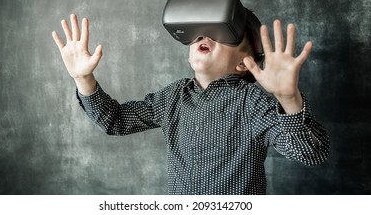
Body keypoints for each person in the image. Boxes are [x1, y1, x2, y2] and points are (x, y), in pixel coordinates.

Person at [52, 13, 329, 195]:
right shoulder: (173, 97)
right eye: (198, 31)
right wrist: (83, 78)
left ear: (244, 63)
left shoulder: (252, 103)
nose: (203, 36)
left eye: (222, 31)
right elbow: (115, 120)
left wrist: (288, 99)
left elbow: (311, 154)